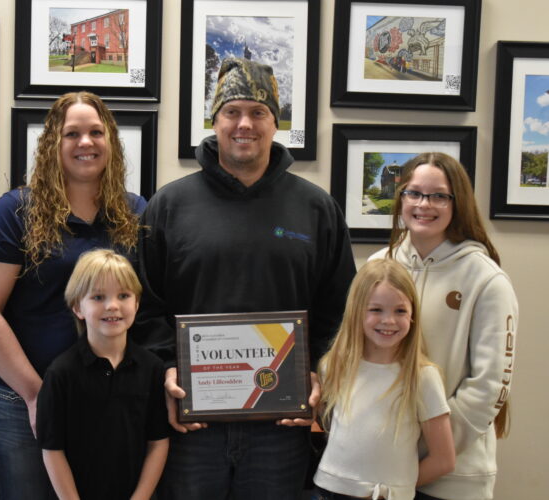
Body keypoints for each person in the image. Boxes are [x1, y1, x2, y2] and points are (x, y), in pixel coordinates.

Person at [133, 57, 357, 499]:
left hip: (281, 423)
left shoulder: (316, 209)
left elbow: (341, 308)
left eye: (258, 112)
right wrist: (167, 369)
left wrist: (319, 372)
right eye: (232, 112)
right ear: (214, 121)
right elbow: (144, 304)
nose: (244, 124)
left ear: (276, 123)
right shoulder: (169, 206)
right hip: (192, 422)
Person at [0, 91, 146, 500]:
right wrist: (36, 395)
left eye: (96, 132)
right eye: (72, 134)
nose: (86, 142)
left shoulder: (136, 213)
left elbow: (148, 307)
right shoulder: (17, 211)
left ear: (111, 142)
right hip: (20, 400)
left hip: (107, 401)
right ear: (53, 143)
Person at [370, 152, 518, 500]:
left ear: (457, 203)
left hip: (453, 477)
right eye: (414, 193)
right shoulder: (377, 266)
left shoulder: (486, 279)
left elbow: (490, 385)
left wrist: (433, 452)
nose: (424, 204)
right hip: (380, 467)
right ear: (401, 198)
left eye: (439, 196)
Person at [313, 259, 455, 500]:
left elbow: (444, 460)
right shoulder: (333, 366)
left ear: (412, 315)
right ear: (356, 311)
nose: (388, 320)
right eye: (376, 310)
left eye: (400, 311)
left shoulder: (422, 377)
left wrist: (398, 488)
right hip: (328, 490)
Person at [36, 249, 169, 500]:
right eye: (98, 297)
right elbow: (52, 449)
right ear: (78, 307)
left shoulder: (152, 368)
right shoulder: (60, 373)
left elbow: (158, 441)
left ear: (137, 303)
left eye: (123, 295)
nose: (112, 305)